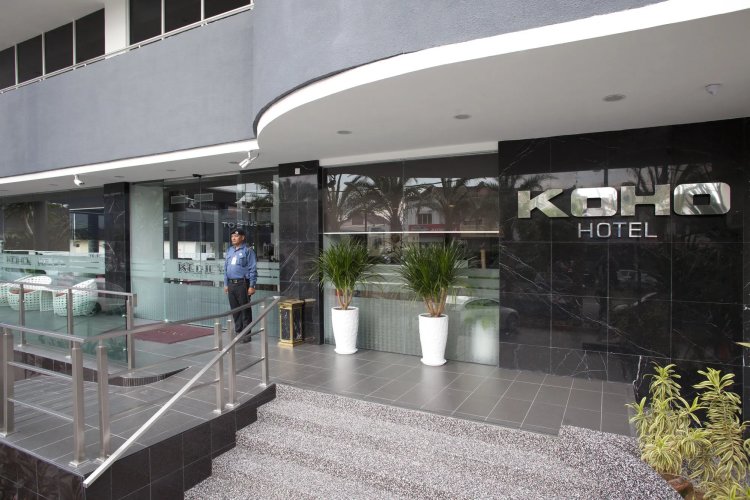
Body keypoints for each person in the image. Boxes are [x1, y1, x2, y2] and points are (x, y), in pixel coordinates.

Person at [224, 228, 257, 342]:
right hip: (231, 284)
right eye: (232, 236)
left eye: (236, 236)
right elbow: (226, 268)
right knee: (235, 310)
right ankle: (238, 332)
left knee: (245, 310)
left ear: (242, 237)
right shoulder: (230, 251)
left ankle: (246, 335)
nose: (233, 238)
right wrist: (226, 284)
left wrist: (252, 285)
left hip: (242, 284)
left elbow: (252, 268)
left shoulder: (248, 250)